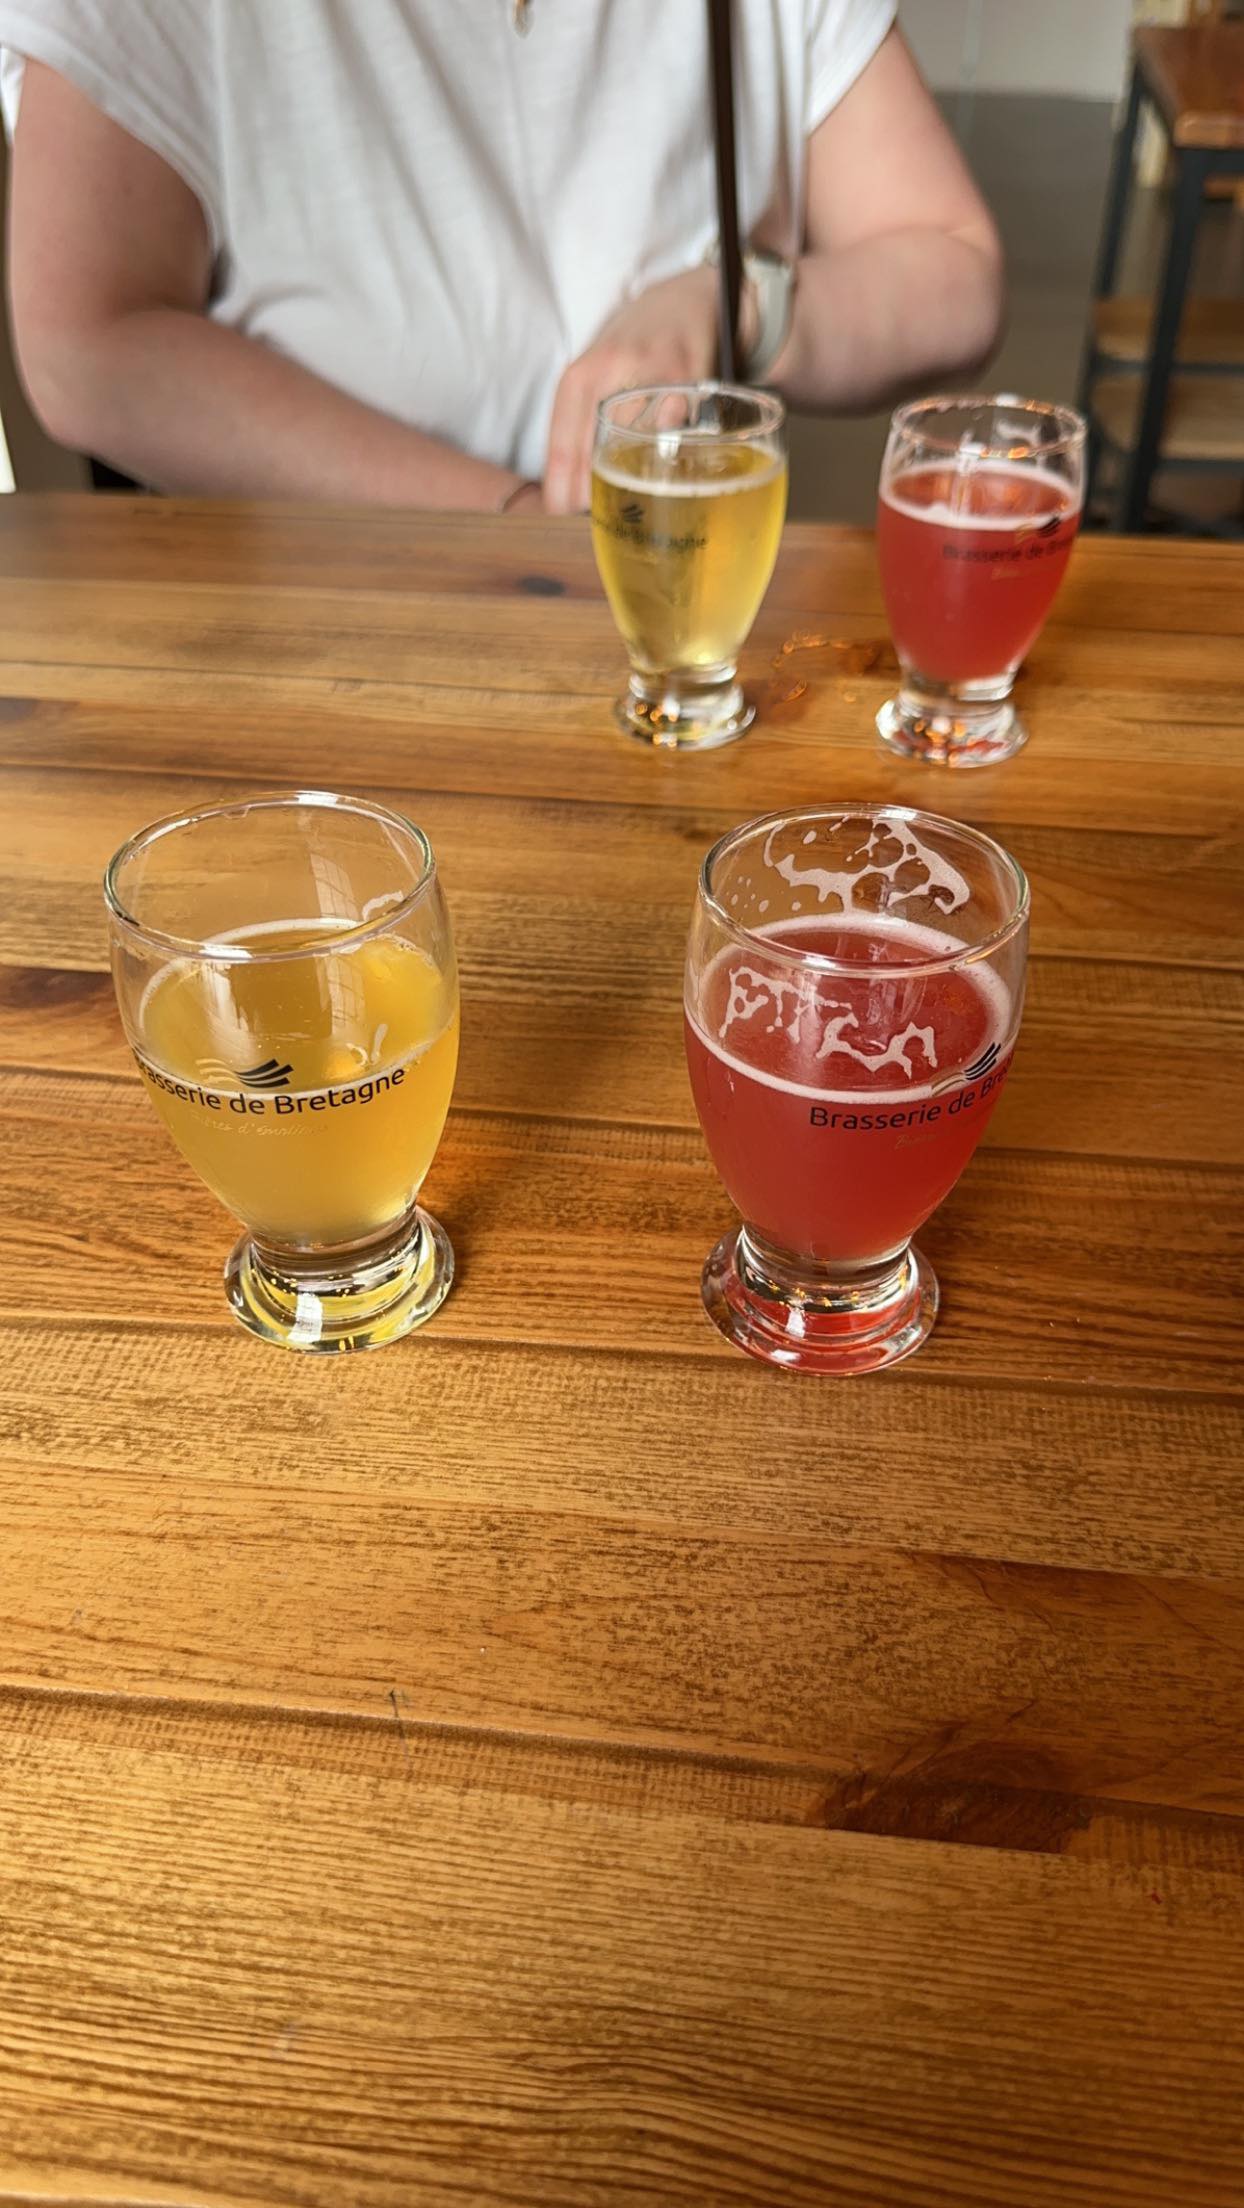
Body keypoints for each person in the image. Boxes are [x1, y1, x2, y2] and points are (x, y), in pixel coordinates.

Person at [1, 1, 1002, 515]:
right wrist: (507, 520)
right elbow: (88, 346)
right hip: (307, 640)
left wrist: (732, 302)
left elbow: (955, 271)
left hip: (682, 620)